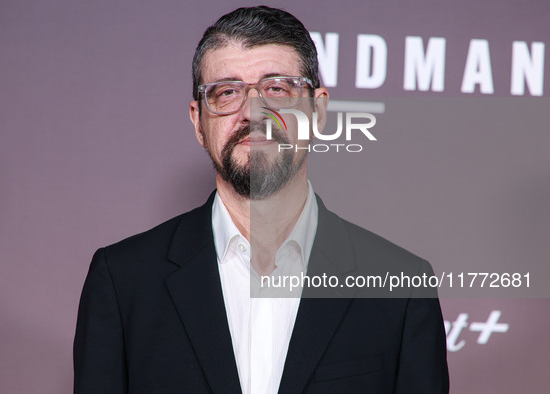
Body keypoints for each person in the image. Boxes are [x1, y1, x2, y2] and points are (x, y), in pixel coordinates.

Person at [74, 6, 449, 393]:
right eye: (226, 92)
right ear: (198, 121)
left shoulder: (401, 287)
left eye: (277, 89)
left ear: (318, 111)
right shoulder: (123, 281)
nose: (253, 111)